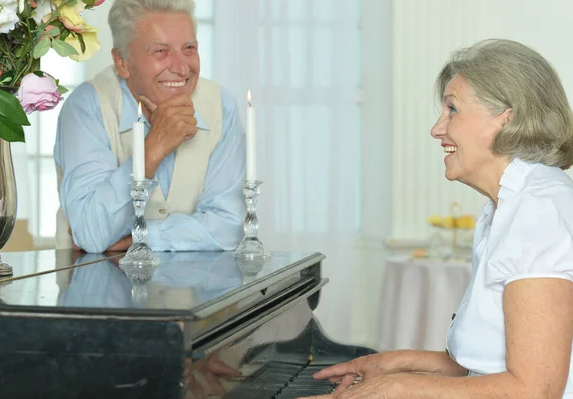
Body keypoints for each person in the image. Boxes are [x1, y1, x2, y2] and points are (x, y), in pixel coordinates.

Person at [301, 39, 573, 399]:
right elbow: (482, 363)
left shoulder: (538, 211)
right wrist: (392, 364)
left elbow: (535, 390)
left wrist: (398, 387)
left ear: (505, 117)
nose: (437, 129)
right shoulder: (508, 204)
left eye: (452, 109)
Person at [54, 0, 246, 253]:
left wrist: (142, 238)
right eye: (161, 51)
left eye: (189, 48)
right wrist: (154, 148)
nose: (181, 68)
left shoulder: (222, 106)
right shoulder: (87, 107)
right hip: (98, 285)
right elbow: (91, 233)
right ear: (122, 62)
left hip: (195, 289)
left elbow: (228, 227)